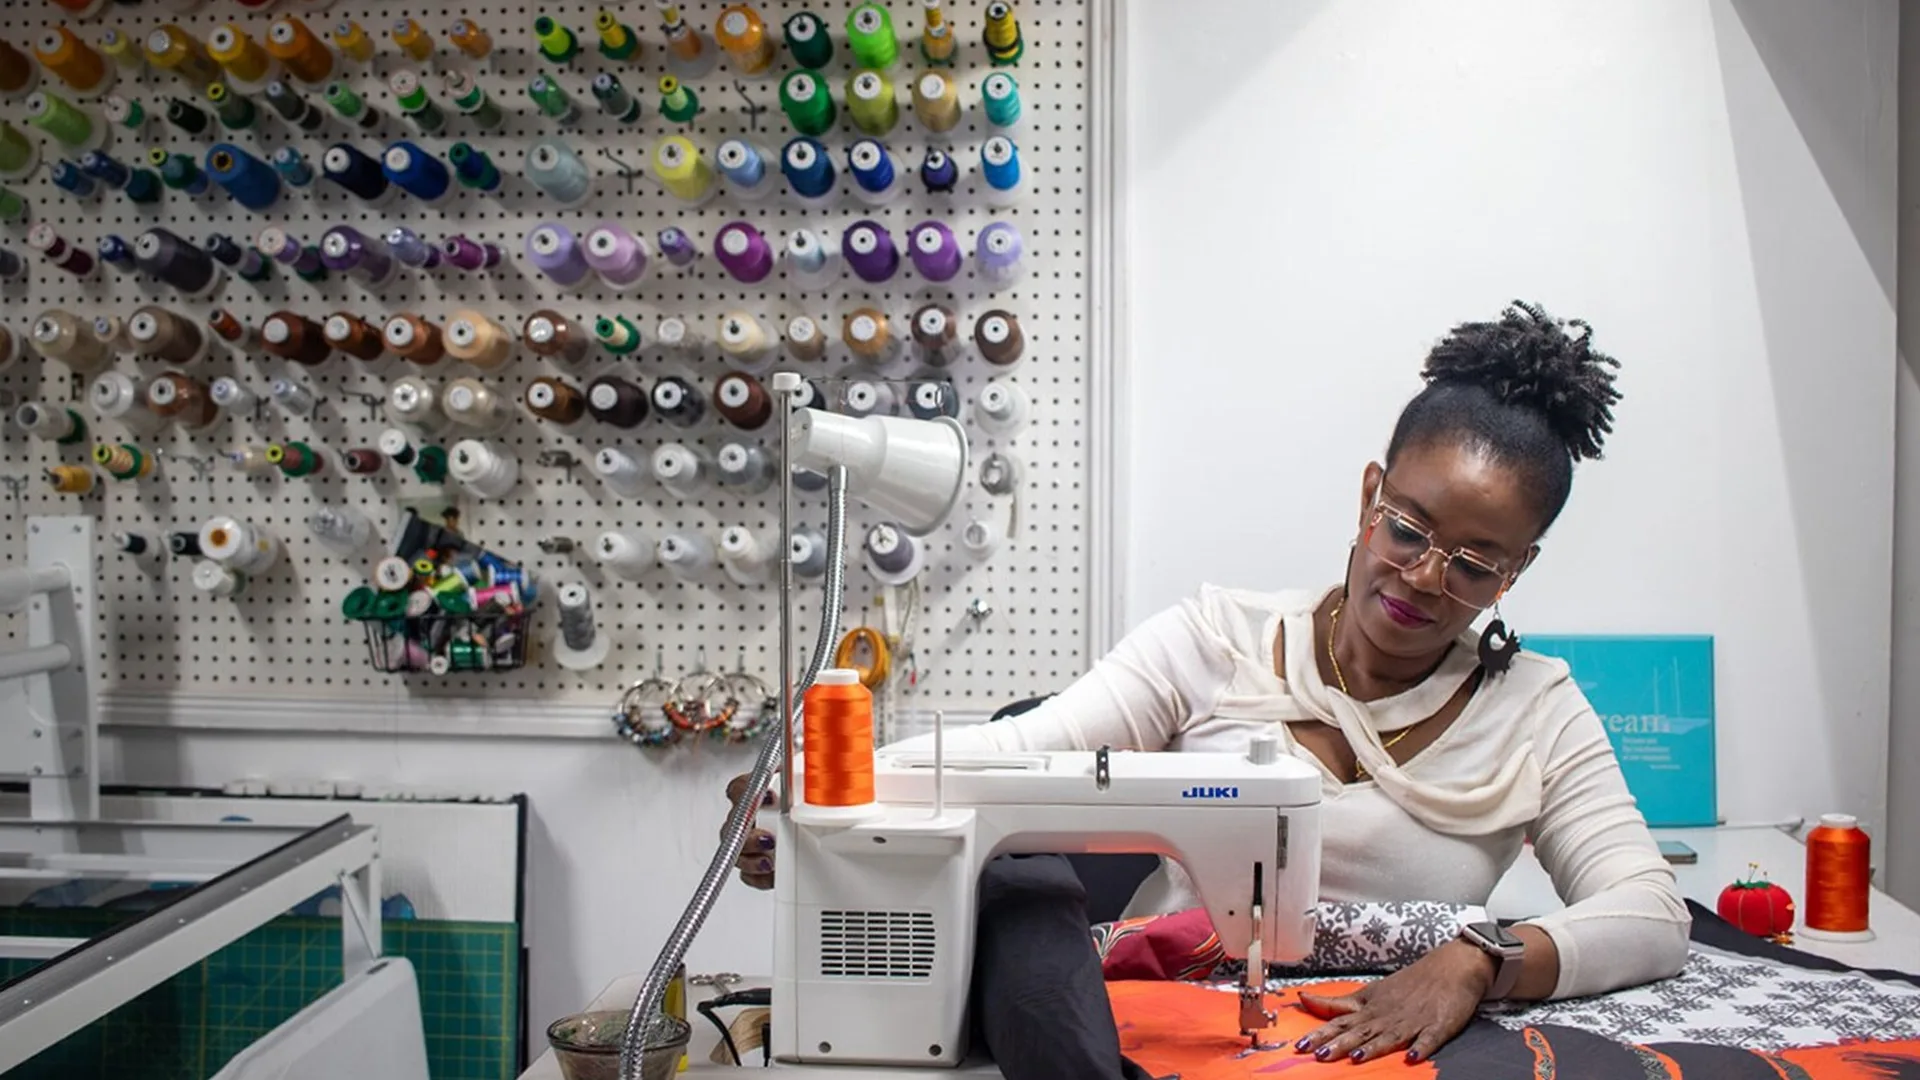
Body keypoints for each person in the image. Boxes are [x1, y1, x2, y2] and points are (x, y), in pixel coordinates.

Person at [726, 300, 1690, 1066]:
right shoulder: (1216, 639)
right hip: (1157, 1031)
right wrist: (811, 793)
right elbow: (1023, 749)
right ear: (1368, 497)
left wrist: (1481, 960)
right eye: (1407, 530)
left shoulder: (1537, 709)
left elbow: (1649, 911)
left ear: (1515, 573)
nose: (1426, 579)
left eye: (1476, 566)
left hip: (1385, 1046)